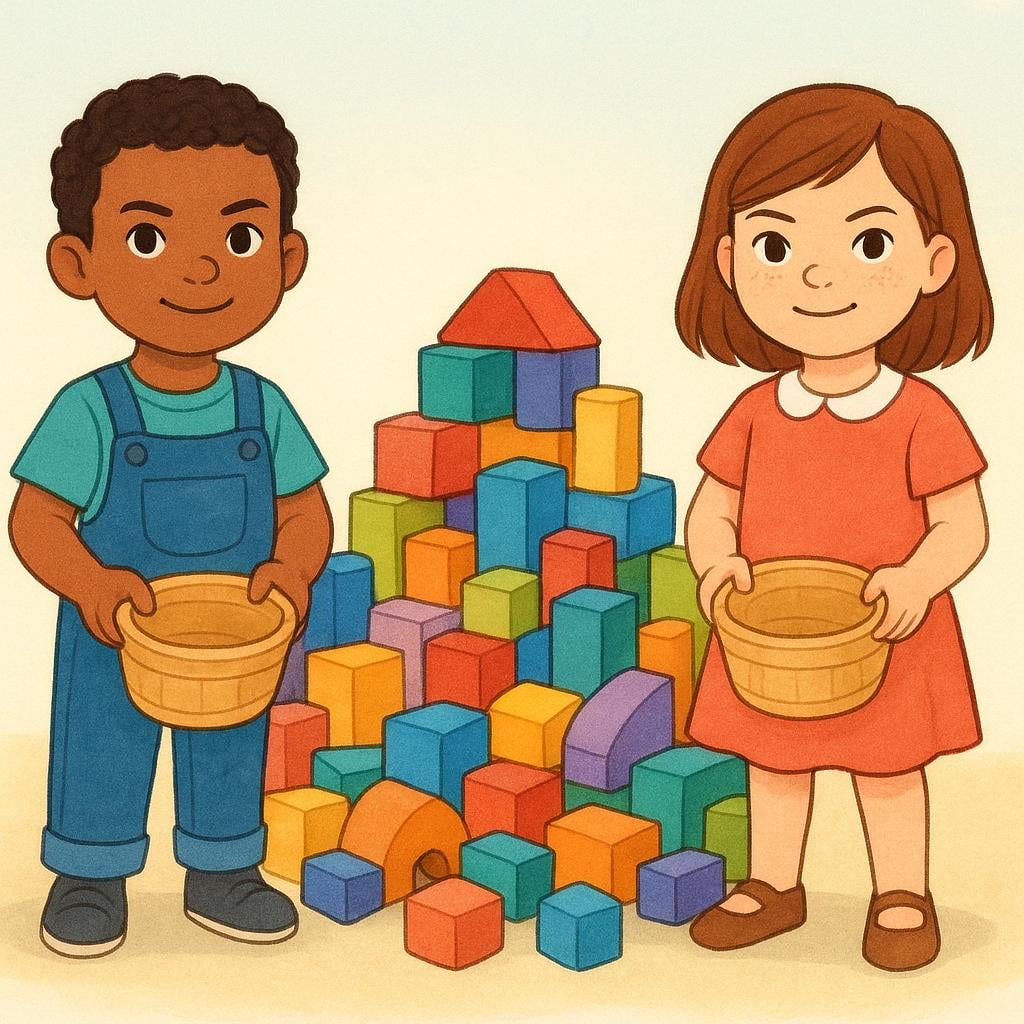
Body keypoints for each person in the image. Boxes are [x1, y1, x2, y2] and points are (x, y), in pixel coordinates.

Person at [8, 73, 333, 958]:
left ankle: (224, 869)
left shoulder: (262, 406)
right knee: (100, 746)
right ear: (78, 264)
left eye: (239, 236)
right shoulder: (90, 410)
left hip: (235, 632)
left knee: (232, 746)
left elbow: (306, 510)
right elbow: (35, 518)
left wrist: (290, 570)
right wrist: (88, 583)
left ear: (286, 260)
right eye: (148, 237)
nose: (200, 269)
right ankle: (88, 871)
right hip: (115, 625)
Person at [676, 84, 991, 972]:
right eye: (778, 245)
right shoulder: (754, 410)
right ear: (731, 261)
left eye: (868, 242)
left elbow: (963, 524)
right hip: (770, 634)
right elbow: (714, 505)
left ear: (934, 261)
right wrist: (717, 563)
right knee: (774, 763)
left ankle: (901, 891)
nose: (819, 277)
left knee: (888, 768)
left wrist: (916, 580)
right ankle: (776, 884)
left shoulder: (920, 414)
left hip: (887, 629)